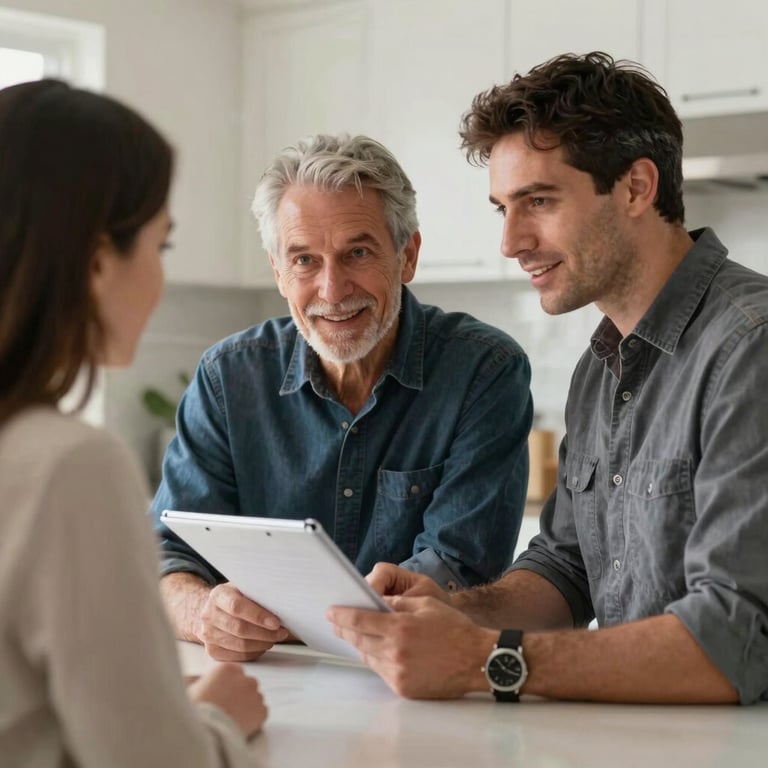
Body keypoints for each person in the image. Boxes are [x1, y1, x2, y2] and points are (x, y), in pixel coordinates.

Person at [328, 51, 768, 705]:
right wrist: (455, 609)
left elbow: (737, 638)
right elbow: (567, 567)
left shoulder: (749, 347)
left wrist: (485, 658)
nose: (509, 241)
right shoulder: (601, 364)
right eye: (502, 207)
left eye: (538, 201)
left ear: (636, 188)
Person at [151, 133, 533, 662]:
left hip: (418, 686)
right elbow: (167, 557)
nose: (332, 290)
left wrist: (296, 619)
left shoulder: (484, 372)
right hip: (266, 682)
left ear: (408, 256)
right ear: (279, 272)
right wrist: (202, 612)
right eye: (305, 260)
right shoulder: (227, 376)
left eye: (357, 252)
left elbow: (460, 571)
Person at [0, 79, 267, 767]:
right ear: (95, 261)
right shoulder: (68, 466)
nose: (159, 278)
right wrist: (215, 719)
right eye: (161, 245)